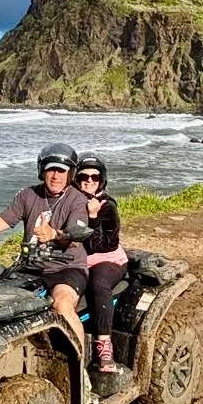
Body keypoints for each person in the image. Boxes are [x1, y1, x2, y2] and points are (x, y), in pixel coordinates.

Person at [0, 143, 90, 352]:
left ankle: (81, 369)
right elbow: (2, 221)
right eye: (50, 169)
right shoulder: (28, 195)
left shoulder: (77, 199)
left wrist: (55, 234)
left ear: (70, 174)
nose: (55, 176)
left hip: (67, 269)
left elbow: (76, 235)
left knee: (62, 306)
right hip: (30, 267)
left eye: (61, 171)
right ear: (42, 171)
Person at [74, 153, 129, 377]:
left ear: (101, 180)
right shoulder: (72, 202)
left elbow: (99, 245)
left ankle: (104, 347)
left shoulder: (107, 206)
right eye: (83, 176)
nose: (89, 181)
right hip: (76, 260)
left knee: (98, 284)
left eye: (94, 177)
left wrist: (93, 216)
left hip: (107, 258)